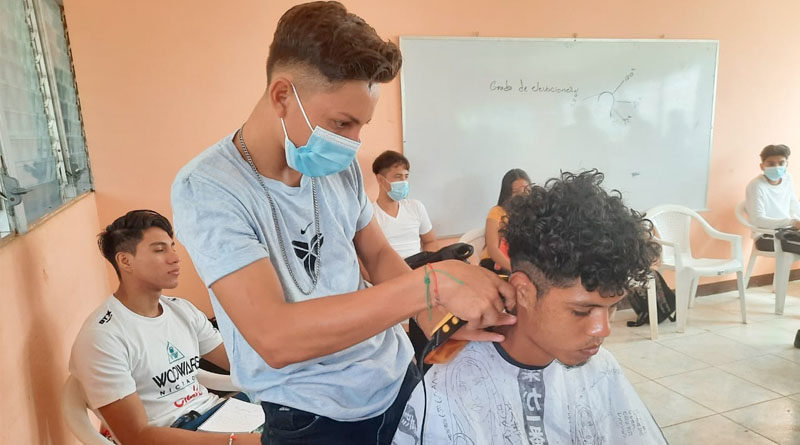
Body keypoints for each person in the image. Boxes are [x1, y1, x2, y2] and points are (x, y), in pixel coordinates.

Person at [170, 2, 515, 444]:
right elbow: (275, 338)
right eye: (342, 123)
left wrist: (437, 321)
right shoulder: (209, 188)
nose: (352, 143)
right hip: (313, 417)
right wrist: (431, 284)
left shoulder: (336, 167)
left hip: (395, 380)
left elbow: (375, 255)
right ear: (281, 96)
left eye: (361, 125)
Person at [393, 170, 666, 445]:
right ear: (523, 291)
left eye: (612, 308)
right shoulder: (451, 389)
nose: (603, 330)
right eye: (582, 311)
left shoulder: (602, 368)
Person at [69, 210, 261, 444]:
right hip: (177, 433)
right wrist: (236, 442)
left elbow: (240, 361)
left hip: (219, 415)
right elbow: (136, 437)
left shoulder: (181, 310)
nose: (175, 258)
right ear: (125, 261)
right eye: (160, 250)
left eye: (172, 247)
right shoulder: (103, 337)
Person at [372, 150, 438, 258]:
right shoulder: (370, 215)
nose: (404, 181)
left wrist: (428, 265)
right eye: (398, 176)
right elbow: (363, 257)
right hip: (390, 273)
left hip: (419, 270)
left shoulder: (416, 207)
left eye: (406, 176)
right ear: (380, 179)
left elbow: (430, 241)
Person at [745, 144, 800, 252]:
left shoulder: (787, 178)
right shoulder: (756, 185)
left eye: (781, 163)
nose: (776, 167)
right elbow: (757, 220)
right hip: (766, 236)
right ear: (762, 166)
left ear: (786, 164)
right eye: (771, 163)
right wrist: (792, 222)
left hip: (788, 231)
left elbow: (793, 204)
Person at [480, 168, 531, 275]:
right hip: (495, 264)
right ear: (507, 194)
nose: (523, 195)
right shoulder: (497, 212)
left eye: (527, 190)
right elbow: (493, 250)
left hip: (521, 262)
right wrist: (517, 271)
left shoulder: (533, 212)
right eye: (516, 192)